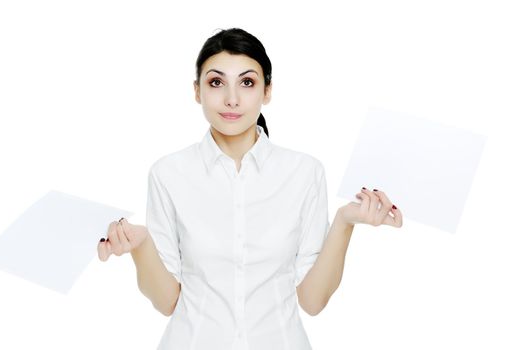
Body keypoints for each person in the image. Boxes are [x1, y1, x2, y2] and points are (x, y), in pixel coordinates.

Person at [97, 27, 403, 350]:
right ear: (197, 91)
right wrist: (141, 246)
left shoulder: (304, 173)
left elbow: (312, 301)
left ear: (267, 91)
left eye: (247, 82)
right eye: (216, 83)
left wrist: (344, 222)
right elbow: (166, 302)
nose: (232, 99)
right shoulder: (168, 174)